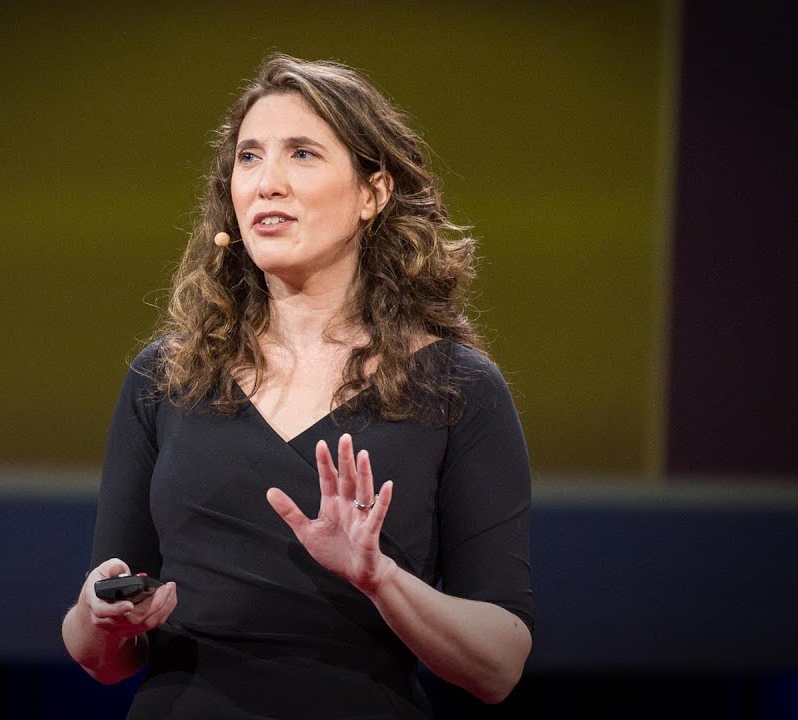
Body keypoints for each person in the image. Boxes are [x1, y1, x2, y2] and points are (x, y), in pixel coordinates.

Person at [61, 52, 533, 719]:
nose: (266, 182)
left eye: (302, 154)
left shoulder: (458, 389)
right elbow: (101, 659)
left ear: (374, 193)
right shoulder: (164, 378)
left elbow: (500, 665)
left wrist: (380, 579)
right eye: (249, 158)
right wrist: (98, 619)